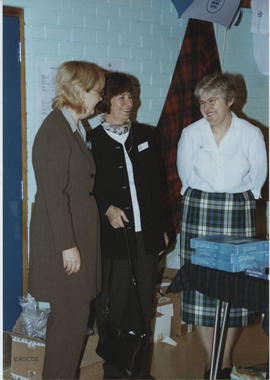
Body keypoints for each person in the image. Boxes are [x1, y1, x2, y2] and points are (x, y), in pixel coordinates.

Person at [176, 73, 267, 380]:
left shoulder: (250, 133)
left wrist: (238, 198)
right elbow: (186, 176)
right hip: (199, 209)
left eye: (213, 100)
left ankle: (223, 361)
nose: (207, 107)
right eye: (202, 101)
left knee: (236, 287)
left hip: (237, 211)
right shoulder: (191, 133)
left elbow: (258, 176)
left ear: (230, 100)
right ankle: (210, 359)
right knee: (200, 286)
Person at [87, 71, 168, 380]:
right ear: (105, 101)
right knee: (115, 307)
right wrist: (106, 207)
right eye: (121, 97)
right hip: (113, 240)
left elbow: (156, 187)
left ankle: (140, 372)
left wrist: (161, 228)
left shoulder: (147, 135)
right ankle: (116, 373)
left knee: (142, 306)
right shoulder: (92, 140)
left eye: (131, 96)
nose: (129, 102)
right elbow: (86, 189)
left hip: (145, 237)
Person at [28, 60, 105, 379]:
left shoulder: (72, 127)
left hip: (75, 239)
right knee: (69, 325)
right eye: (97, 92)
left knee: (72, 324)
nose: (100, 99)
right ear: (78, 91)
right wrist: (68, 246)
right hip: (66, 243)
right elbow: (53, 196)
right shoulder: (55, 130)